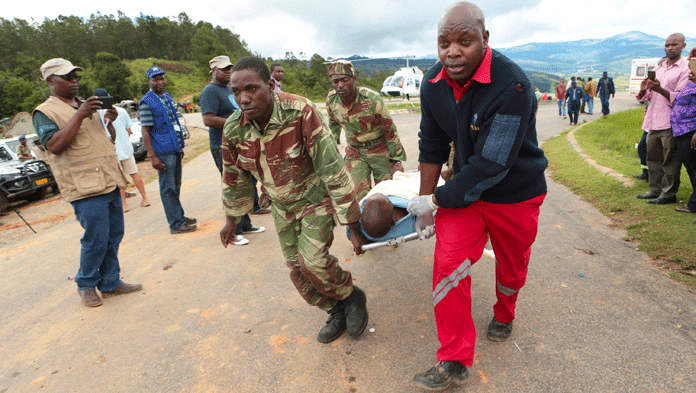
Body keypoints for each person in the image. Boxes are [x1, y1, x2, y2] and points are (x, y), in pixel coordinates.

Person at [407, 3, 548, 390]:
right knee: (448, 262)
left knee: (511, 265)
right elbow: (432, 144)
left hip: (515, 196)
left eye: (464, 41)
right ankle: (453, 359)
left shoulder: (513, 86)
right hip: (467, 197)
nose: (452, 52)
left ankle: (505, 311)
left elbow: (492, 164)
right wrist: (423, 207)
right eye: (444, 43)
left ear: (485, 40)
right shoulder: (433, 83)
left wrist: (436, 200)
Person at [219, 56, 369, 344]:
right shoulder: (234, 129)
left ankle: (351, 295)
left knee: (312, 261)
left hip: (314, 199)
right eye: (236, 92)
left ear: (270, 84)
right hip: (280, 206)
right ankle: (336, 308)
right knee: (298, 274)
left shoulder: (299, 110)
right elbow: (233, 178)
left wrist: (353, 223)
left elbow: (332, 168)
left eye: (251, 89)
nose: (244, 98)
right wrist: (231, 221)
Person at [32, 58, 141, 307]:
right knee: (96, 238)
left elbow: (105, 139)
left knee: (114, 235)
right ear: (50, 81)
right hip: (84, 187)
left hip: (108, 179)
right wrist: (80, 115)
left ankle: (111, 282)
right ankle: (86, 283)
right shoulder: (44, 112)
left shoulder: (85, 105)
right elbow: (55, 146)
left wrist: (110, 122)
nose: (74, 81)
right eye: (67, 77)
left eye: (76, 76)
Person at [200, 55, 265, 246]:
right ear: (213, 71)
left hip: (239, 143)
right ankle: (235, 230)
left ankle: (245, 224)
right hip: (221, 144)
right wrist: (237, 123)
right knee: (233, 183)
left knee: (247, 181)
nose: (227, 71)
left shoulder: (230, 89)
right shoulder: (210, 91)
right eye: (223, 69)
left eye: (229, 68)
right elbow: (208, 119)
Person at [325, 60, 407, 201]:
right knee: (356, 195)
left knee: (387, 195)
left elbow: (389, 128)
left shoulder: (371, 98)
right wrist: (333, 149)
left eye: (345, 80)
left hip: (380, 150)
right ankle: (362, 222)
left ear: (354, 79)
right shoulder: (331, 101)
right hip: (355, 152)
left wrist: (396, 160)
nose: (340, 85)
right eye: (335, 81)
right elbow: (333, 124)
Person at [139, 66, 197, 234]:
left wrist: (179, 147)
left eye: (162, 78)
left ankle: (179, 217)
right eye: (156, 79)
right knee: (168, 189)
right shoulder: (146, 102)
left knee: (175, 186)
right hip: (163, 151)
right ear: (149, 82)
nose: (160, 82)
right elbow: (145, 131)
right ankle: (176, 224)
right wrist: (153, 157)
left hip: (174, 149)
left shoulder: (166, 97)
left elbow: (173, 124)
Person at [636, 33, 690, 205]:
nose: (670, 48)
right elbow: (644, 98)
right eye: (667, 45)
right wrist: (644, 89)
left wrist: (659, 90)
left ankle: (668, 194)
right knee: (653, 159)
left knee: (670, 161)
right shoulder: (659, 69)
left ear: (683, 46)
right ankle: (655, 190)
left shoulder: (686, 68)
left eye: (674, 44)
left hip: (671, 122)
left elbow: (682, 98)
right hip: (652, 121)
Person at [94, 88, 150, 213]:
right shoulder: (120, 110)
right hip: (126, 149)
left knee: (119, 179)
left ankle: (124, 205)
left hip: (111, 152)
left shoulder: (97, 114)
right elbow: (129, 130)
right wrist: (124, 140)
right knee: (134, 174)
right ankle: (145, 198)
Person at [670, 47, 696, 218]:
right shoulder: (692, 83)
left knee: (694, 168)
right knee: (691, 168)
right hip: (682, 131)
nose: (691, 70)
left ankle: (694, 204)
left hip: (691, 132)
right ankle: (694, 204)